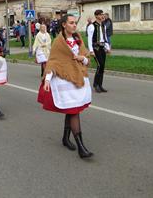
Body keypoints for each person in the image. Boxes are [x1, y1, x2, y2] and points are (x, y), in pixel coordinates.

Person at [37, 14, 93, 158]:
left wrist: (83, 59)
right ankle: (81, 147)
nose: (74, 25)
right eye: (71, 23)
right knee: (74, 112)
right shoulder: (58, 42)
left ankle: (65, 138)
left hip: (78, 79)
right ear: (64, 25)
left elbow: (86, 60)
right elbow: (53, 62)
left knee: (73, 110)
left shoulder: (78, 40)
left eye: (75, 23)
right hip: (65, 82)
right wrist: (47, 79)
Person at [87, 9, 111, 93]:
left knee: (103, 66)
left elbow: (105, 38)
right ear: (96, 16)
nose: (102, 16)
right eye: (101, 14)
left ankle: (100, 85)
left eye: (103, 14)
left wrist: (107, 47)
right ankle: (96, 84)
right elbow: (89, 39)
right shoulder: (92, 26)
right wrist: (91, 50)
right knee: (99, 65)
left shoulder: (103, 25)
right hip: (95, 48)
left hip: (102, 47)